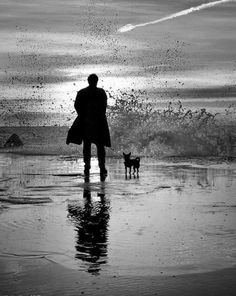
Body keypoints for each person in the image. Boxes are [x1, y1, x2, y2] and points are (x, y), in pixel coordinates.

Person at [66, 74, 111, 177]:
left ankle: (90, 167)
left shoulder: (84, 92)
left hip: (90, 123)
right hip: (95, 123)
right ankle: (98, 167)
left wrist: (83, 117)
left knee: (91, 146)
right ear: (95, 81)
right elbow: (103, 107)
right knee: (96, 146)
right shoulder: (99, 92)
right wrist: (87, 117)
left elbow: (77, 106)